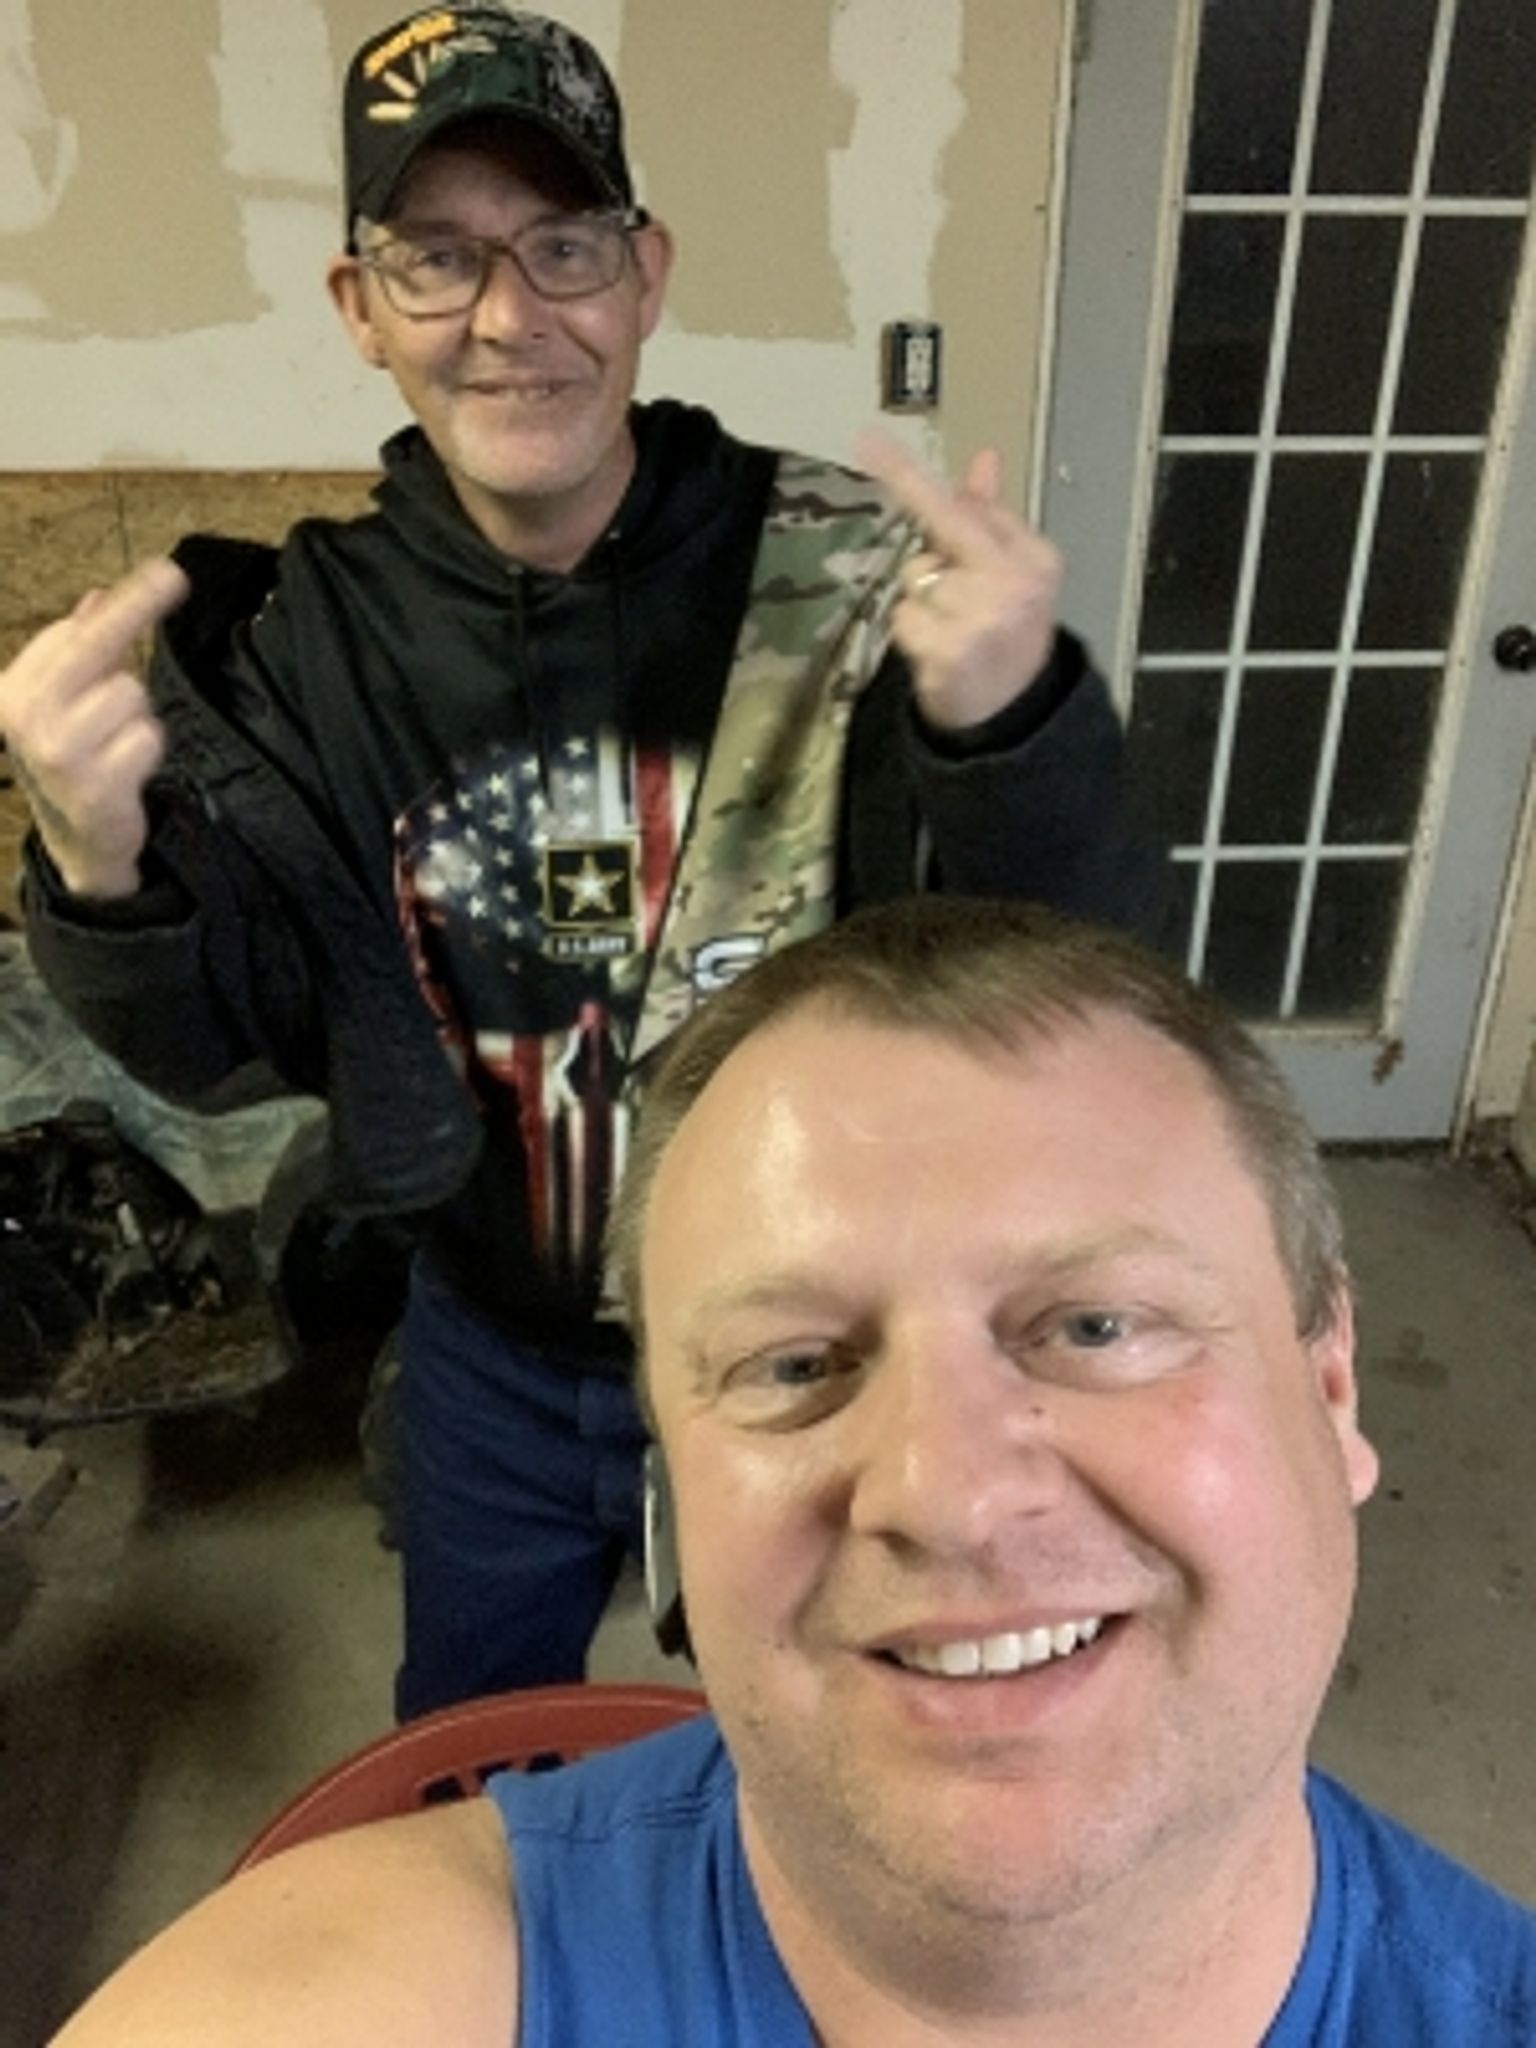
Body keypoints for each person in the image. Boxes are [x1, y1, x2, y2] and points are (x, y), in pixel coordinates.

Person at [0, 5, 1165, 1718]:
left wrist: (1016, 734)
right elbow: (217, 1049)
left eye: (563, 246)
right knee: (476, 1742)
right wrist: (97, 863)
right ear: (359, 306)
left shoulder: (846, 579)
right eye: (437, 258)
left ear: (644, 275)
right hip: (494, 1352)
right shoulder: (300, 646)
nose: (508, 316)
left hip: (828, 1349)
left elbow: (1083, 991)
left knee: (843, 1739)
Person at [54, 896, 1536, 2045]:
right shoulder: (347, 1997)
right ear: (670, 1478)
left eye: (1094, 1327)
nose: (946, 1496)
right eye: (796, 1365)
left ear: (1328, 1382)